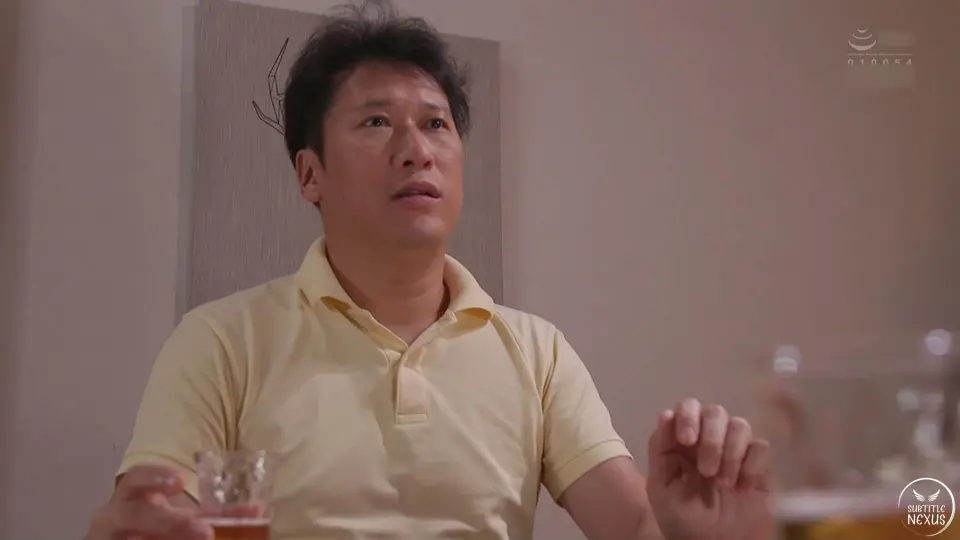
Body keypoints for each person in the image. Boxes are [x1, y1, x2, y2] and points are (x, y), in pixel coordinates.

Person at [85, 3, 772, 539]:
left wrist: (694, 531)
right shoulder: (221, 342)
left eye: (437, 124)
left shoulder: (537, 353)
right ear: (310, 174)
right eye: (376, 122)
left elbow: (632, 527)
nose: (417, 150)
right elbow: (156, 518)